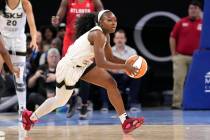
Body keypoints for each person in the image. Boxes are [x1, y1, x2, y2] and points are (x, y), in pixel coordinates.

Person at [22, 10, 144, 134]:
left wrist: (128, 63)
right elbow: (101, 63)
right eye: (109, 20)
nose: (114, 23)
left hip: (82, 65)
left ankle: (125, 121)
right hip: (69, 67)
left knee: (111, 83)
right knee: (60, 100)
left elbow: (110, 57)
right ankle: (31, 118)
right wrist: (125, 67)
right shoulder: (98, 34)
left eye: (115, 20)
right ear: (100, 22)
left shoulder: (105, 35)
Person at [51, 0, 103, 119]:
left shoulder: (94, 1)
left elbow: (103, 16)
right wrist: (56, 20)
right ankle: (73, 99)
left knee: (86, 72)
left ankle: (84, 104)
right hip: (70, 39)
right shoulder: (67, 1)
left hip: (87, 40)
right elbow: (59, 16)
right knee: (67, 72)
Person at [0, 0, 38, 117]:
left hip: (18, 41)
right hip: (3, 39)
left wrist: (34, 40)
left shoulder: (25, 3)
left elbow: (32, 25)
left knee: (19, 78)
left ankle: (22, 110)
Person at [169, 0, 202, 109]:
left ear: (199, 10)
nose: (192, 10)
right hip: (181, 57)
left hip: (198, 58)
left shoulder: (204, 23)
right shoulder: (181, 22)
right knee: (179, 80)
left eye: (195, 8)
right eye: (191, 8)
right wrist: (174, 53)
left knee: (198, 80)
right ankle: (176, 103)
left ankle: (197, 102)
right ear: (188, 10)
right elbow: (172, 37)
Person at [99, 29, 141, 112]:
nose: (119, 40)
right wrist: (112, 69)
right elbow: (103, 65)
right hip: (112, 75)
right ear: (114, 40)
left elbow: (136, 65)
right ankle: (105, 104)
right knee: (102, 75)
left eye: (121, 38)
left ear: (125, 39)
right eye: (117, 38)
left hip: (126, 75)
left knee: (137, 76)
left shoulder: (132, 51)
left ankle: (133, 103)